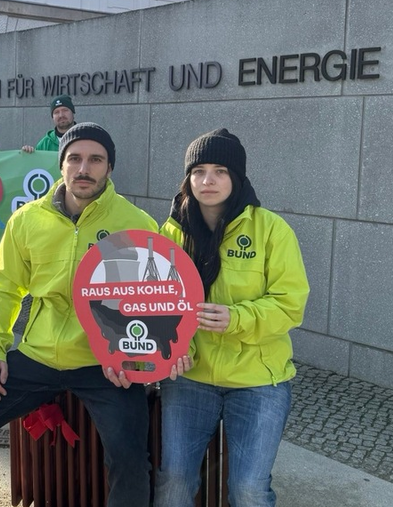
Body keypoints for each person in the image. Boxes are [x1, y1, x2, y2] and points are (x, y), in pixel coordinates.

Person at [0, 122, 191, 507]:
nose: (83, 168)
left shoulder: (136, 223)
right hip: (38, 356)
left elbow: (155, 303)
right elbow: (4, 288)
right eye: (74, 159)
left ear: (110, 167)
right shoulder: (27, 220)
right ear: (61, 165)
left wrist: (143, 359)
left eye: (96, 160)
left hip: (105, 365)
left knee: (130, 460)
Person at [154, 129, 310, 507]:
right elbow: (159, 303)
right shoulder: (171, 232)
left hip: (259, 380)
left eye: (220, 171)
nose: (208, 180)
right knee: (173, 480)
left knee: (248, 489)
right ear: (188, 178)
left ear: (237, 177)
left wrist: (236, 318)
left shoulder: (271, 229)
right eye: (199, 171)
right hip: (191, 377)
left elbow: (291, 304)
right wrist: (175, 347)